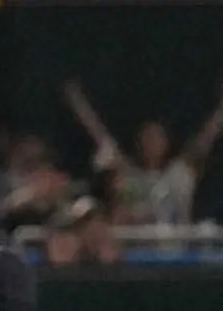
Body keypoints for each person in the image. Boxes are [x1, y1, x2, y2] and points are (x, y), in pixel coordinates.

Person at [64, 79, 223, 225]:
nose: (152, 143)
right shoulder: (128, 174)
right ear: (138, 144)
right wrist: (78, 104)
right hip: (137, 249)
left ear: (167, 142)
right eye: (147, 138)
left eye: (157, 138)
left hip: (176, 249)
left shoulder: (181, 172)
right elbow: (100, 137)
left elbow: (207, 137)